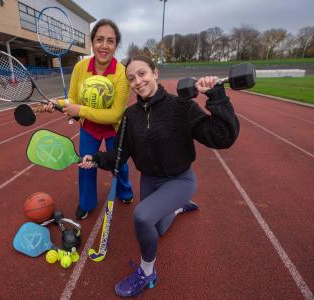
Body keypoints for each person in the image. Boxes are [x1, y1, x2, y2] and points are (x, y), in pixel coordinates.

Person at [79, 55, 240, 297]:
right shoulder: (130, 117)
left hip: (180, 179)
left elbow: (222, 137)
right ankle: (177, 208)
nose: (138, 81)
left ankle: (147, 272)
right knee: (158, 229)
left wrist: (216, 96)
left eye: (142, 74)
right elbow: (119, 156)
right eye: (131, 78)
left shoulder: (181, 106)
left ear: (155, 73)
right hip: (150, 180)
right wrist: (96, 159)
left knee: (142, 216)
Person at [44, 19, 133, 220]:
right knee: (85, 164)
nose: (104, 45)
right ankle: (86, 203)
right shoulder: (80, 67)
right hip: (90, 127)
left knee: (120, 164)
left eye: (110, 41)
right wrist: (57, 102)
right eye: (99, 39)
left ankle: (125, 192)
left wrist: (80, 110)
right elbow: (73, 98)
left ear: (116, 45)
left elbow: (116, 114)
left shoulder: (122, 74)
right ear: (92, 42)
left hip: (113, 127)